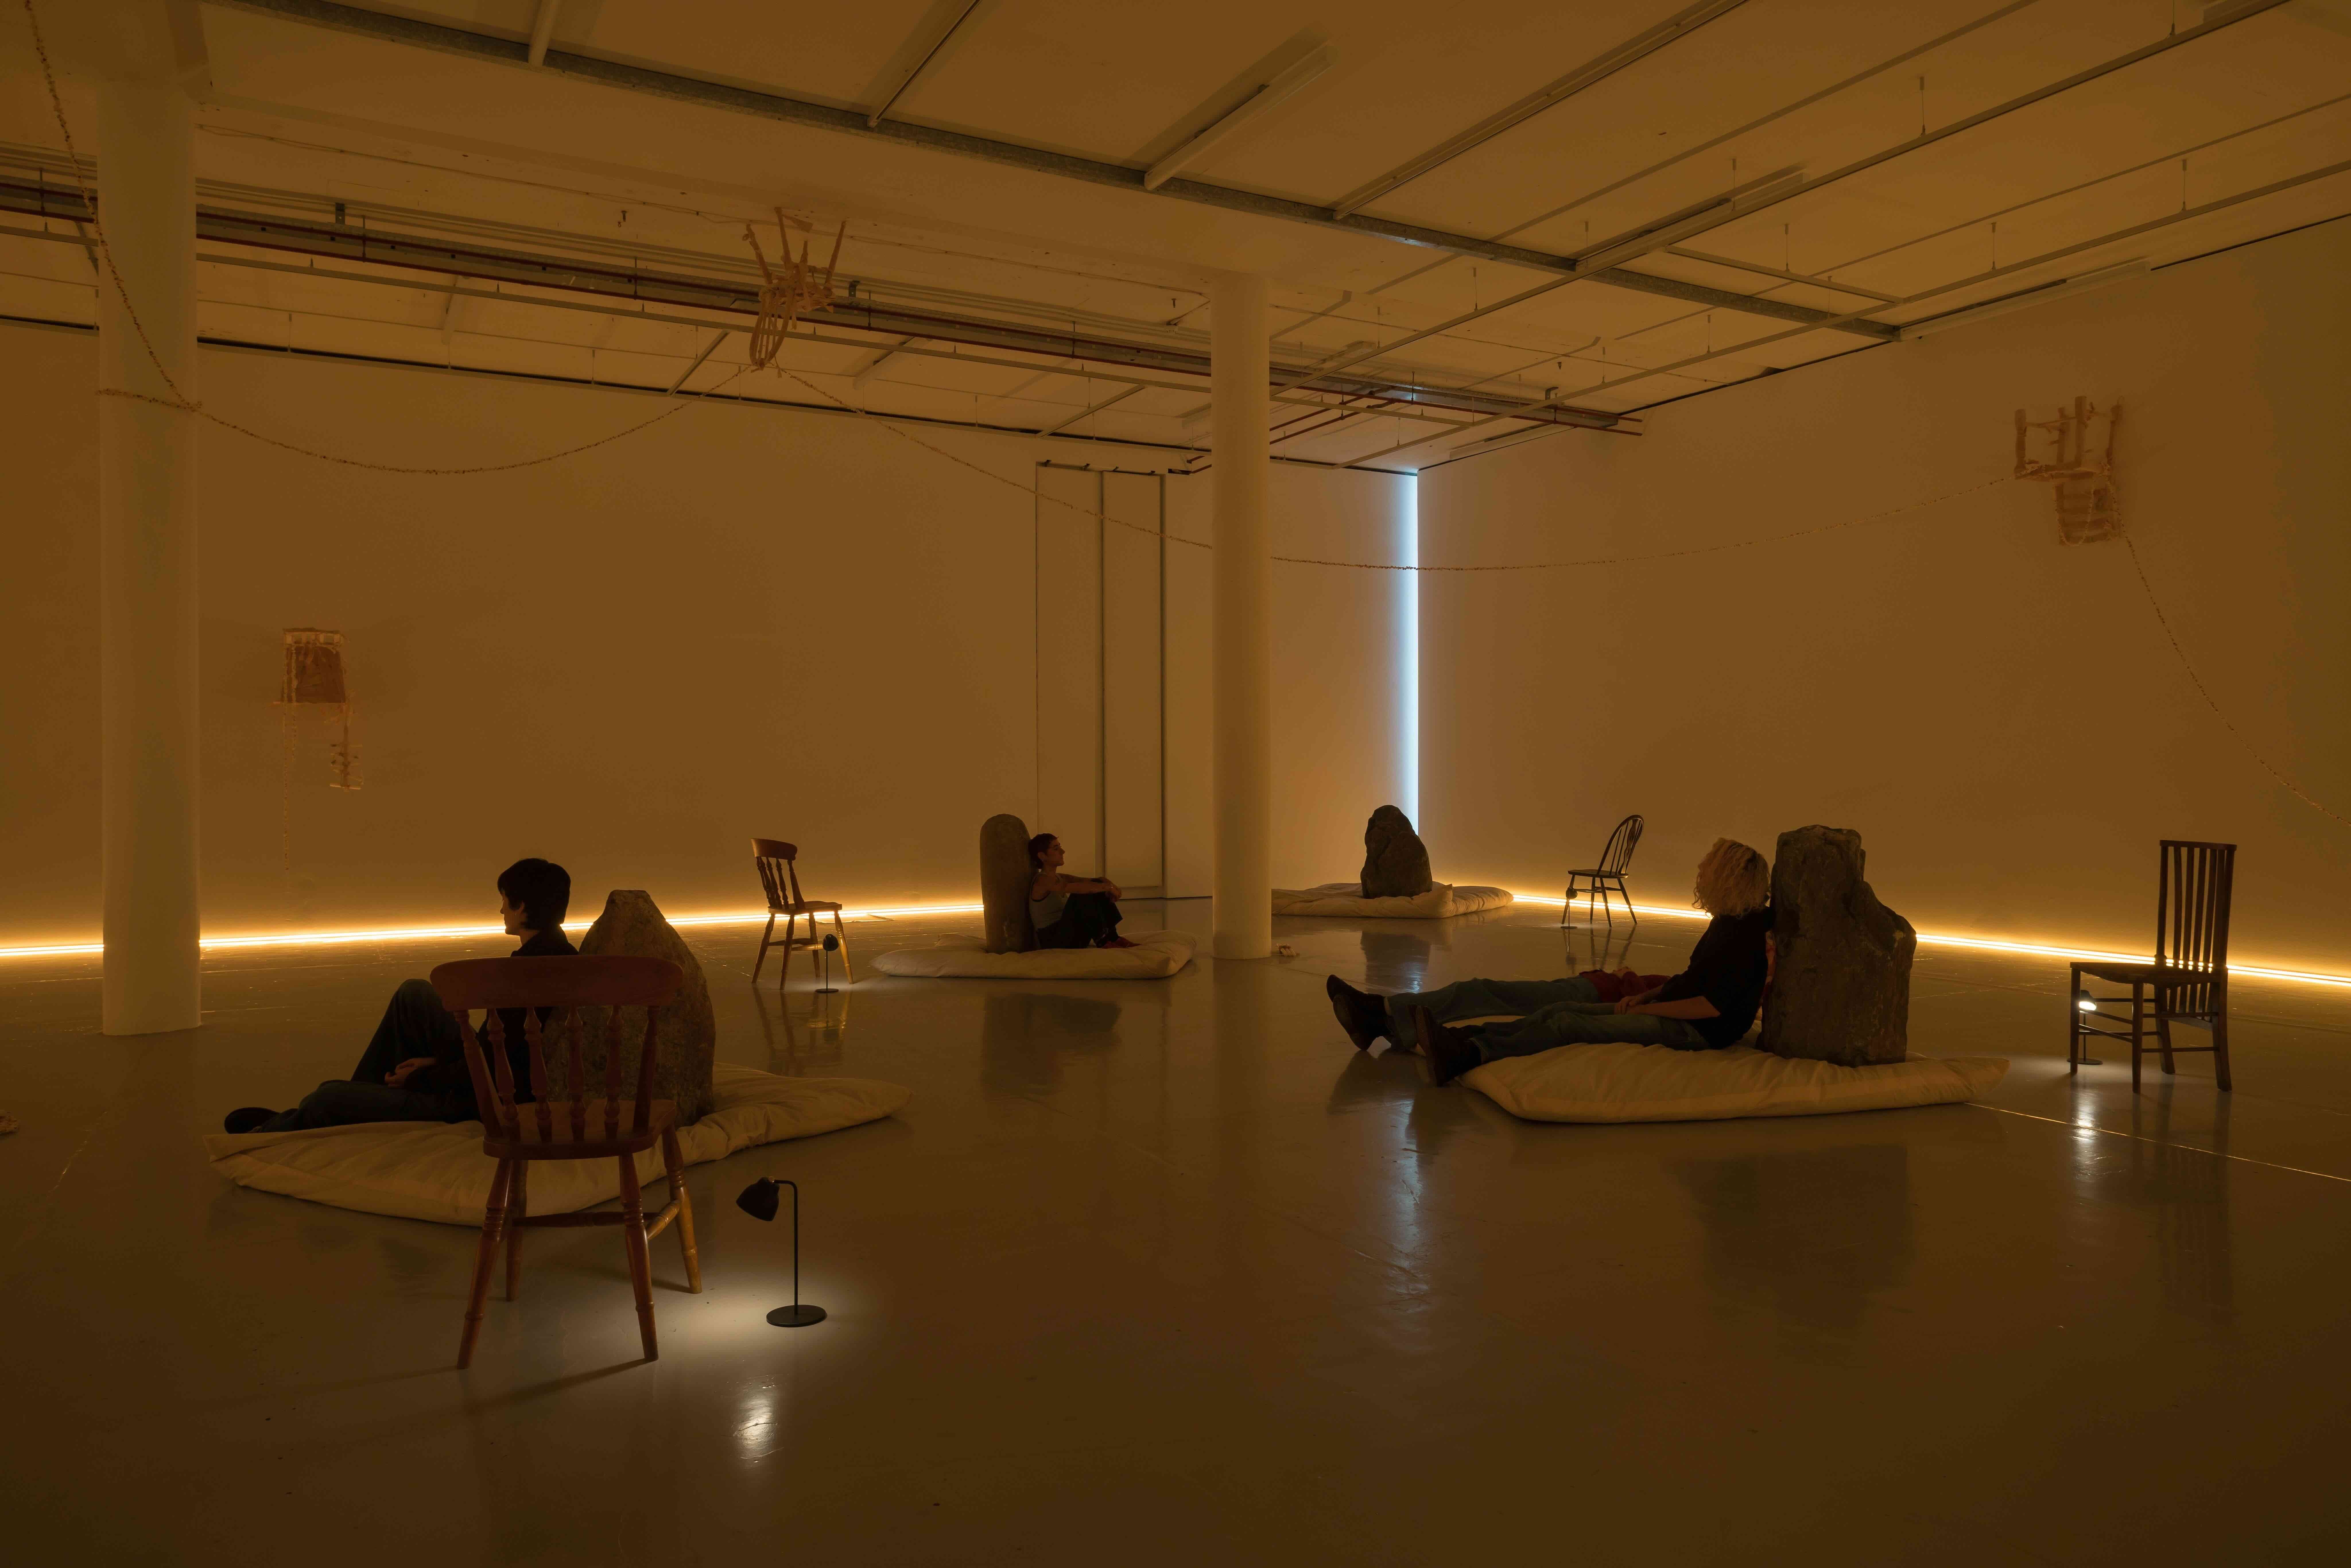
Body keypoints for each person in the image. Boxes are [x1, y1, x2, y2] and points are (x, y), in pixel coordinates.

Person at [1330, 838, 1775, 1086]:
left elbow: (1710, 1006)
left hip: (1684, 1025)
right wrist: (1648, 996)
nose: (1699, 873)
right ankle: (1415, 1027)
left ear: (1728, 879)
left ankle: (1454, 1044)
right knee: (1521, 1001)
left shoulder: (1744, 937)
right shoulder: (1730, 925)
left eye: (1708, 867)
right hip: (1643, 997)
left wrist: (1645, 1002)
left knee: (1557, 1016)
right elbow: (1696, 982)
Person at [221, 859, 578, 1134]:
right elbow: (499, 1049)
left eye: (504, 901)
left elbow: (492, 1070)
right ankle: (354, 1098)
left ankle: (294, 1123)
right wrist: (435, 1063)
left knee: (328, 1095)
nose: (500, 910)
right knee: (414, 994)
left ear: (522, 907)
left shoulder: (522, 976)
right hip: (489, 1066)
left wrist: (423, 1077)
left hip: (479, 1099)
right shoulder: (563, 955)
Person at [1027, 833, 1136, 949]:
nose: (1063, 852)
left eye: (1060, 847)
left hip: (1069, 934)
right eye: (1056, 849)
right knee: (1082, 893)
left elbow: (1090, 882)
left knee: (1095, 885)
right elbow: (1074, 888)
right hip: (1053, 940)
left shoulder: (1059, 877)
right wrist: (1108, 888)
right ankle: (1103, 941)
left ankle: (1113, 938)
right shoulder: (1042, 881)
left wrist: (1106, 883)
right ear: (1042, 856)